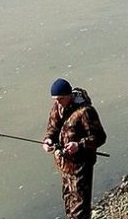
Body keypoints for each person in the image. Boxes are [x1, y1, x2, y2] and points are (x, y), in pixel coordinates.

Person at [42, 78, 108, 219]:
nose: (57, 102)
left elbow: (100, 137)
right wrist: (48, 140)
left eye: (60, 99)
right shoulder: (57, 107)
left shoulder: (86, 112)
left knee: (79, 207)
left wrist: (79, 145)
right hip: (65, 165)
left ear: (69, 96)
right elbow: (52, 128)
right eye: (55, 99)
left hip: (81, 166)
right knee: (68, 201)